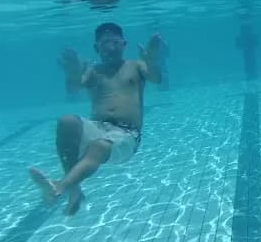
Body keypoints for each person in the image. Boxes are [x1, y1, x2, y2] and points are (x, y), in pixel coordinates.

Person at [29, 22, 163, 215]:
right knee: (67, 121)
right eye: (105, 43)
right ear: (96, 48)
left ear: (124, 44)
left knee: (99, 146)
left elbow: (157, 78)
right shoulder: (93, 71)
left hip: (126, 135)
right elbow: (73, 88)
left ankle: (59, 187)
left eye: (115, 42)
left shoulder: (137, 66)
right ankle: (75, 191)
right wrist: (72, 71)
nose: (110, 47)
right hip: (98, 127)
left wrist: (151, 59)